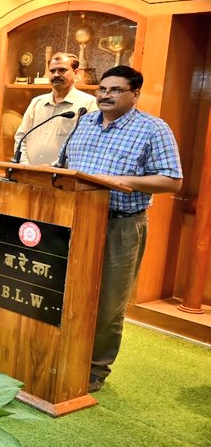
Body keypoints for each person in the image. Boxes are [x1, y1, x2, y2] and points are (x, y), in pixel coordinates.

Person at [65, 66, 182, 392]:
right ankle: (66, 353)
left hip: (120, 224)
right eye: (102, 89)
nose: (106, 95)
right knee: (69, 291)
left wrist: (121, 181)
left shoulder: (152, 129)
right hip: (75, 220)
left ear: (135, 94)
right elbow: (66, 167)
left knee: (109, 302)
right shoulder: (84, 122)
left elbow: (172, 180)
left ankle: (95, 369)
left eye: (115, 90)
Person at [13, 52, 98, 165]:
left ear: (75, 72)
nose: (56, 75)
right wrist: (25, 166)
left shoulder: (89, 104)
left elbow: (87, 144)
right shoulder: (37, 102)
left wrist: (55, 167)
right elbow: (21, 137)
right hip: (29, 172)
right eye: (52, 71)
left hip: (63, 174)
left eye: (62, 70)